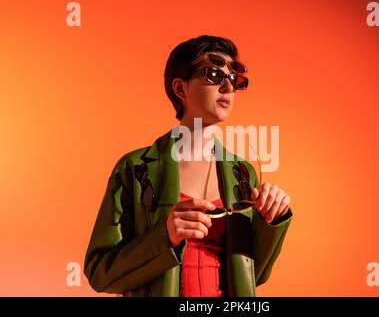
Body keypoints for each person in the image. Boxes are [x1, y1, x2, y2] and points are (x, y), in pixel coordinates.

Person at [84, 35, 293, 297]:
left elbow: (253, 276)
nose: (227, 87)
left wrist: (272, 220)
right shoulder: (135, 169)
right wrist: (165, 236)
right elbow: (99, 273)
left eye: (233, 79)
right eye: (214, 74)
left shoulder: (242, 173)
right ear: (181, 89)